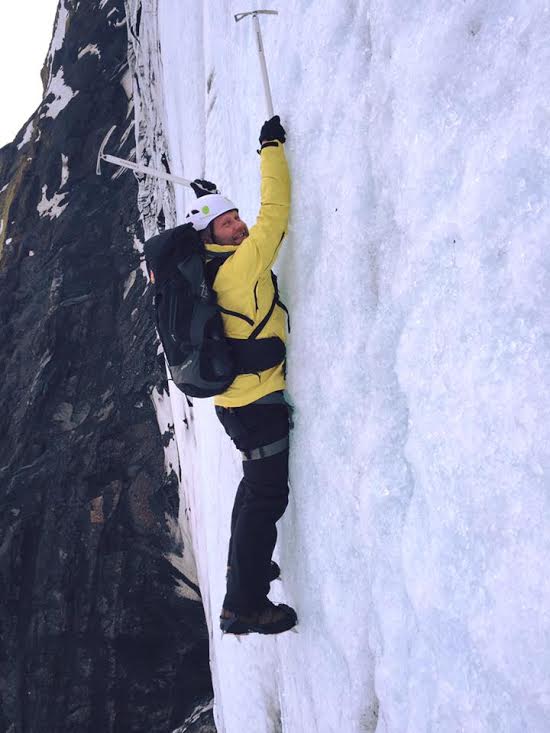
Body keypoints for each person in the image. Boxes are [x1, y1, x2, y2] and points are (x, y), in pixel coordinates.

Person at [185, 116, 297, 635]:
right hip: (257, 403)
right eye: (228, 224)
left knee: (253, 493)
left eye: (235, 218)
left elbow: (232, 228)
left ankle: (243, 575)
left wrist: (212, 200)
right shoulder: (239, 267)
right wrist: (270, 148)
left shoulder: (206, 265)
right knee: (267, 498)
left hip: (236, 403)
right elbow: (274, 215)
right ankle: (245, 606)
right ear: (212, 237)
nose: (240, 226)